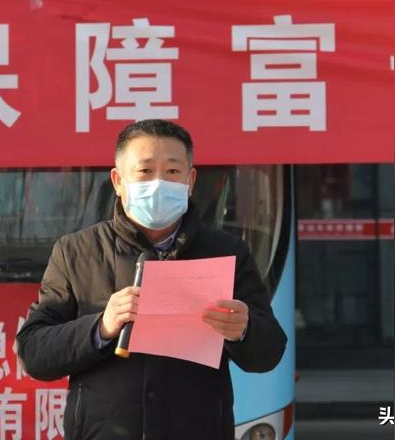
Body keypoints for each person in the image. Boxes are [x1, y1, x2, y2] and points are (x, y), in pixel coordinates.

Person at [16, 119, 287, 440]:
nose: (159, 183)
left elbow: (270, 353)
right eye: (145, 171)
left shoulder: (227, 252)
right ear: (118, 181)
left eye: (172, 171)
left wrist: (244, 330)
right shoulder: (76, 251)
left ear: (190, 180)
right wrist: (101, 327)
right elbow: (34, 353)